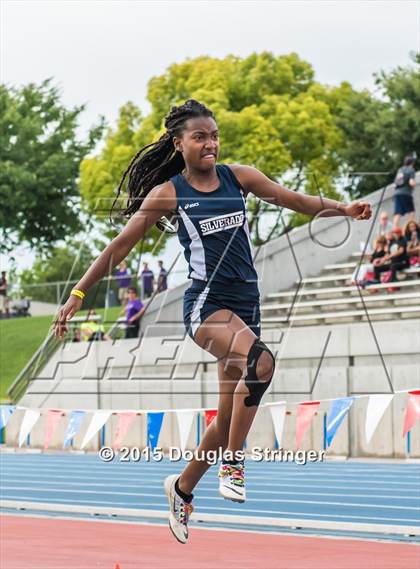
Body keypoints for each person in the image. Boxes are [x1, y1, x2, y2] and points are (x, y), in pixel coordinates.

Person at [54, 99, 372, 544]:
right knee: (261, 364)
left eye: (215, 135)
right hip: (206, 307)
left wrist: (343, 207)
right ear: (179, 142)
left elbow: (293, 199)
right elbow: (117, 248)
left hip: (247, 305)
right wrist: (78, 293)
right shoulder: (168, 194)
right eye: (200, 137)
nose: (211, 144)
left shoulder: (238, 177)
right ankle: (235, 463)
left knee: (224, 424)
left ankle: (182, 488)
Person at [393, 156, 416, 227]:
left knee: (398, 214)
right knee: (411, 212)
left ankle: (396, 230)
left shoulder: (400, 169)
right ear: (412, 163)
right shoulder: (411, 170)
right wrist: (414, 185)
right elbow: (411, 182)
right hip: (406, 194)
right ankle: (408, 230)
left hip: (397, 193)